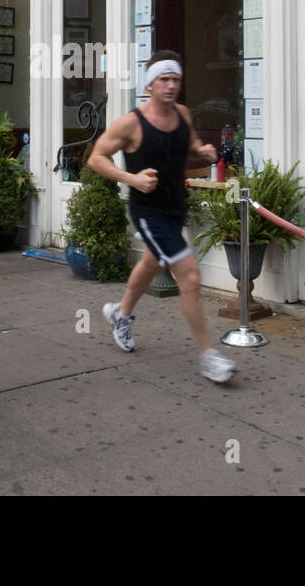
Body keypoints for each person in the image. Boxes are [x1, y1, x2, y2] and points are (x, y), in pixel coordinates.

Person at [87, 50, 236, 384]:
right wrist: (133, 180)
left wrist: (203, 151)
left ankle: (120, 314)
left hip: (175, 206)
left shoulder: (183, 114)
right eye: (164, 79)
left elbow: (190, 143)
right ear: (150, 83)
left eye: (176, 80)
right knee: (191, 276)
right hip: (148, 211)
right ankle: (208, 355)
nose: (171, 86)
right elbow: (96, 158)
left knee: (153, 262)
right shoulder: (131, 123)